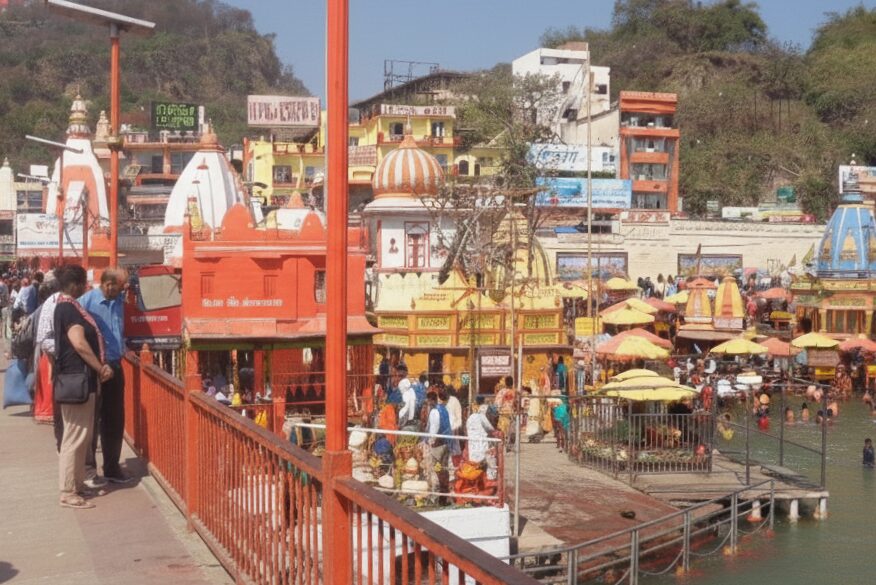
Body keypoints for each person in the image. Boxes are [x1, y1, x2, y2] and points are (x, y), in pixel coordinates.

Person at [54, 264, 114, 509]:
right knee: (75, 438)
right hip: (76, 379)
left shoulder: (65, 307)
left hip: (77, 379)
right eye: (83, 283)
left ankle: (76, 485)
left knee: (80, 436)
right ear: (76, 284)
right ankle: (68, 491)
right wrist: (100, 368)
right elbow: (79, 343)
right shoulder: (69, 309)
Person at [79, 268, 131, 484]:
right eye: (114, 286)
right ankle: (89, 470)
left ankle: (112, 466)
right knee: (91, 419)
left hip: (115, 364)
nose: (115, 290)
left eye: (119, 287)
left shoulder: (120, 300)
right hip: (95, 365)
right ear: (106, 283)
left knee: (115, 418)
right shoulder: (86, 301)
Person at [465, 396, 495, 463]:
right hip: (483, 434)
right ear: (483, 401)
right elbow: (490, 424)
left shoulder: (472, 411)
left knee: (474, 459)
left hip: (473, 437)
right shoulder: (487, 408)